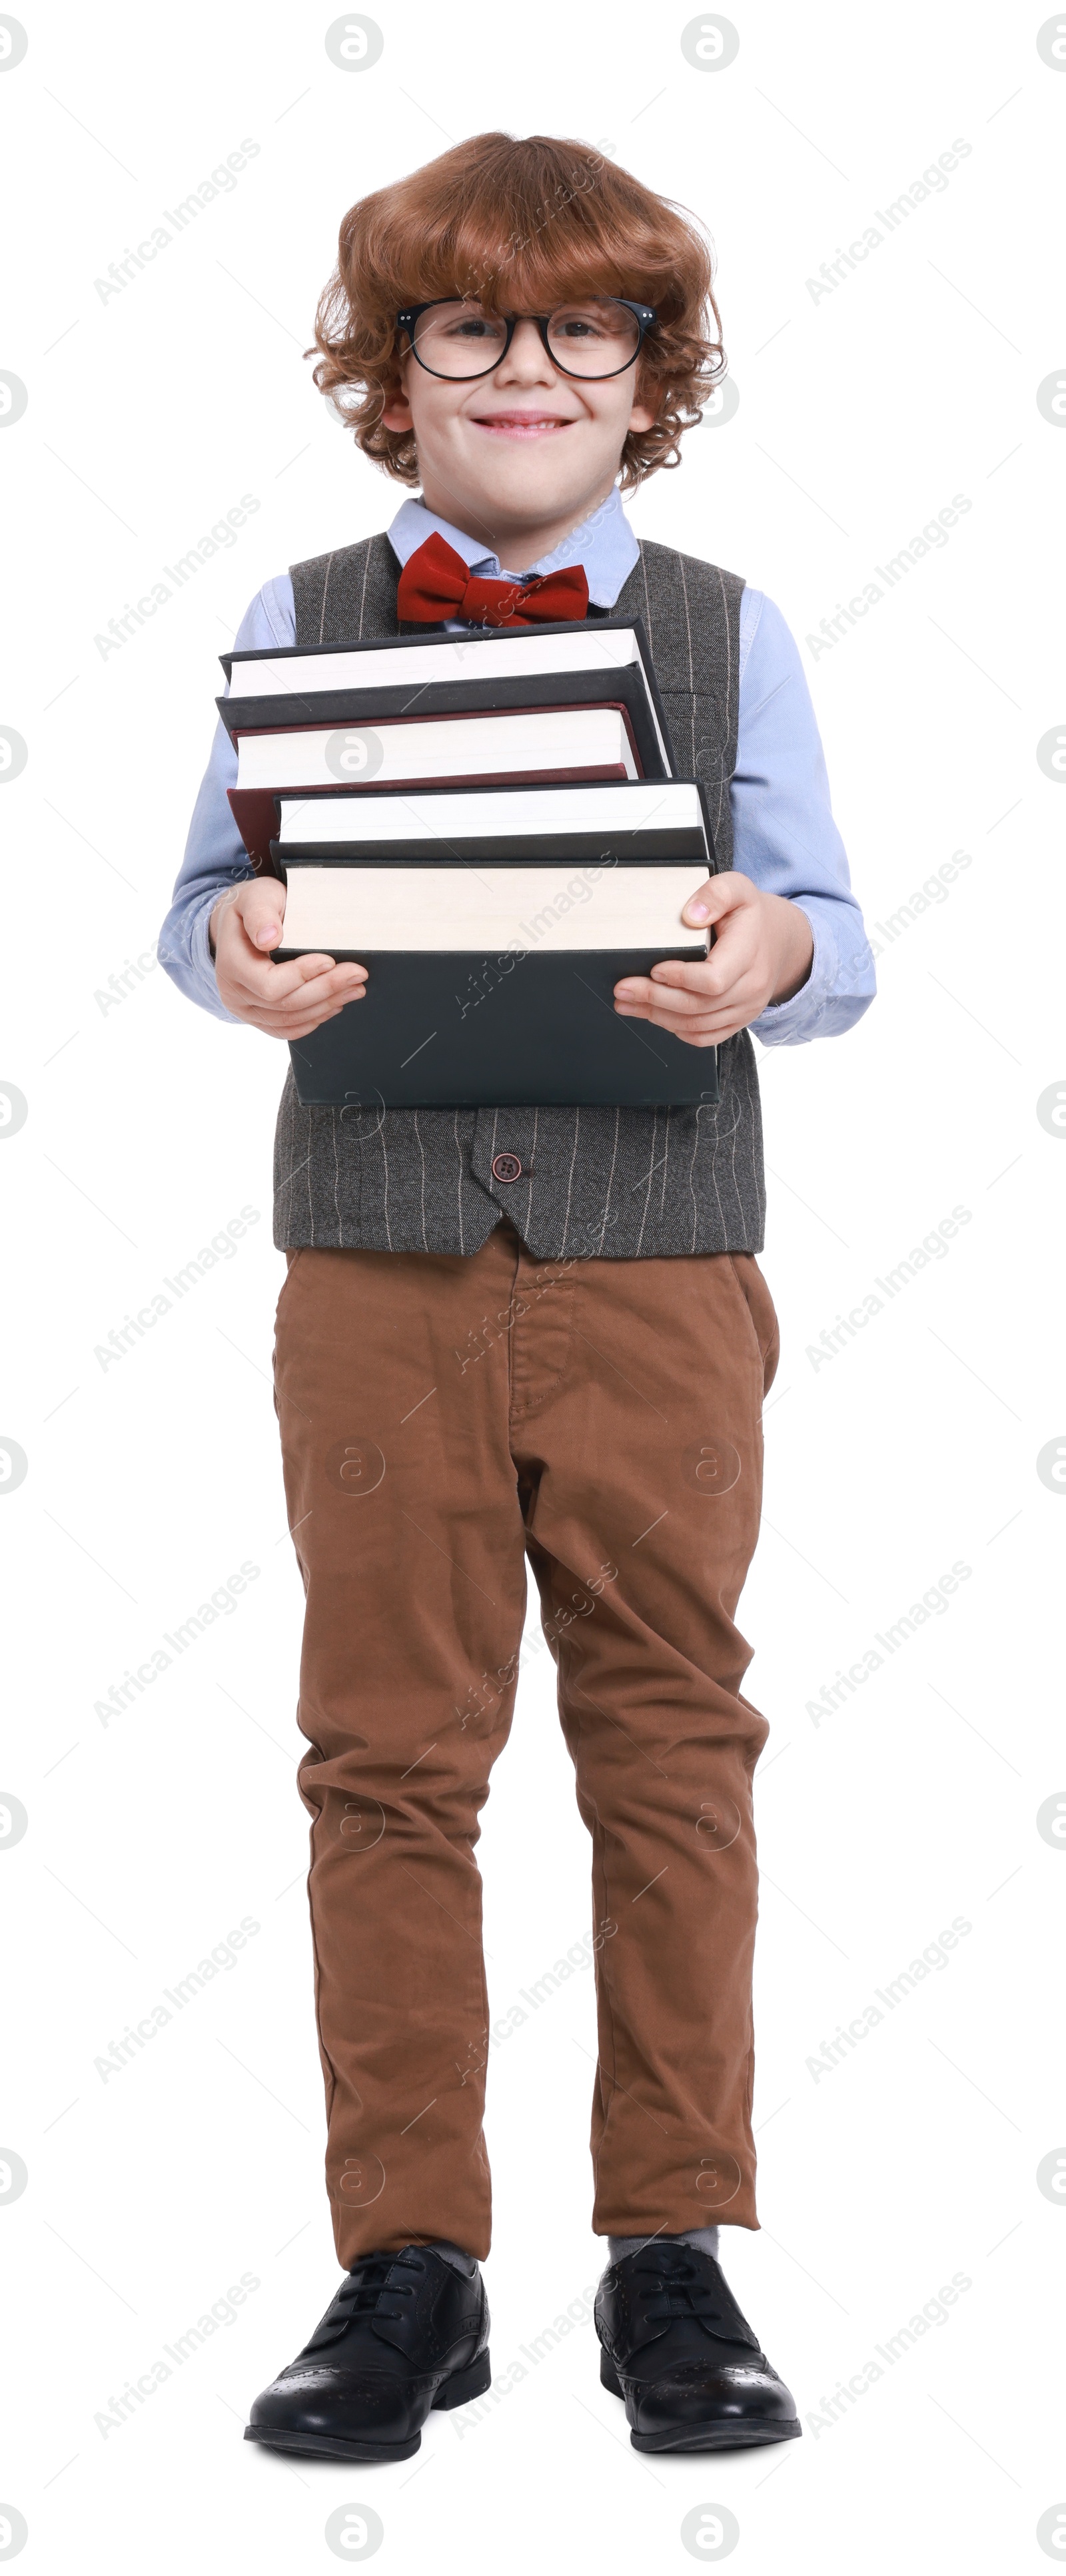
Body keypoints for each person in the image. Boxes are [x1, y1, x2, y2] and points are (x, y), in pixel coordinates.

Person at [159, 130, 875, 2464]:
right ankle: (411, 2261)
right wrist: (234, 955)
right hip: (370, 1258)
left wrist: (766, 950)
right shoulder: (291, 614)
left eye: (588, 328)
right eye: (471, 326)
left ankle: (674, 2249)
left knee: (672, 1738)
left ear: (654, 370)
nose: (530, 370)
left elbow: (830, 936)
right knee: (387, 1752)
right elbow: (205, 907)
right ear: (395, 368)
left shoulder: (732, 620)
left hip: (658, 1259)